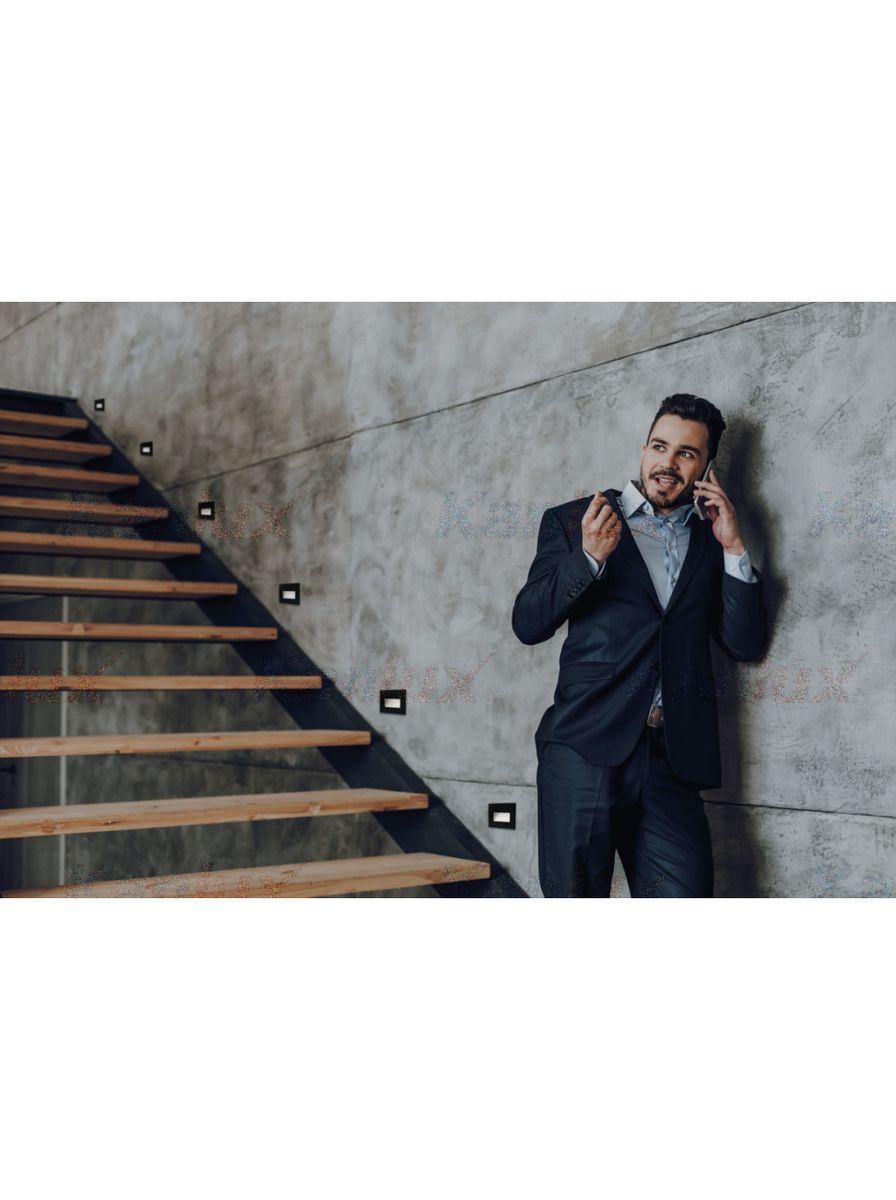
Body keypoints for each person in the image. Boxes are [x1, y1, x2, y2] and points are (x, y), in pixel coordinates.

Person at [511, 393, 768, 897]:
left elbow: (744, 644)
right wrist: (588, 558)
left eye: (686, 453)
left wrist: (734, 547)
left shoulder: (710, 539)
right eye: (659, 446)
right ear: (645, 448)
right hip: (584, 750)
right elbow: (528, 623)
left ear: (706, 468)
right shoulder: (575, 521)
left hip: (672, 761)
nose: (667, 464)